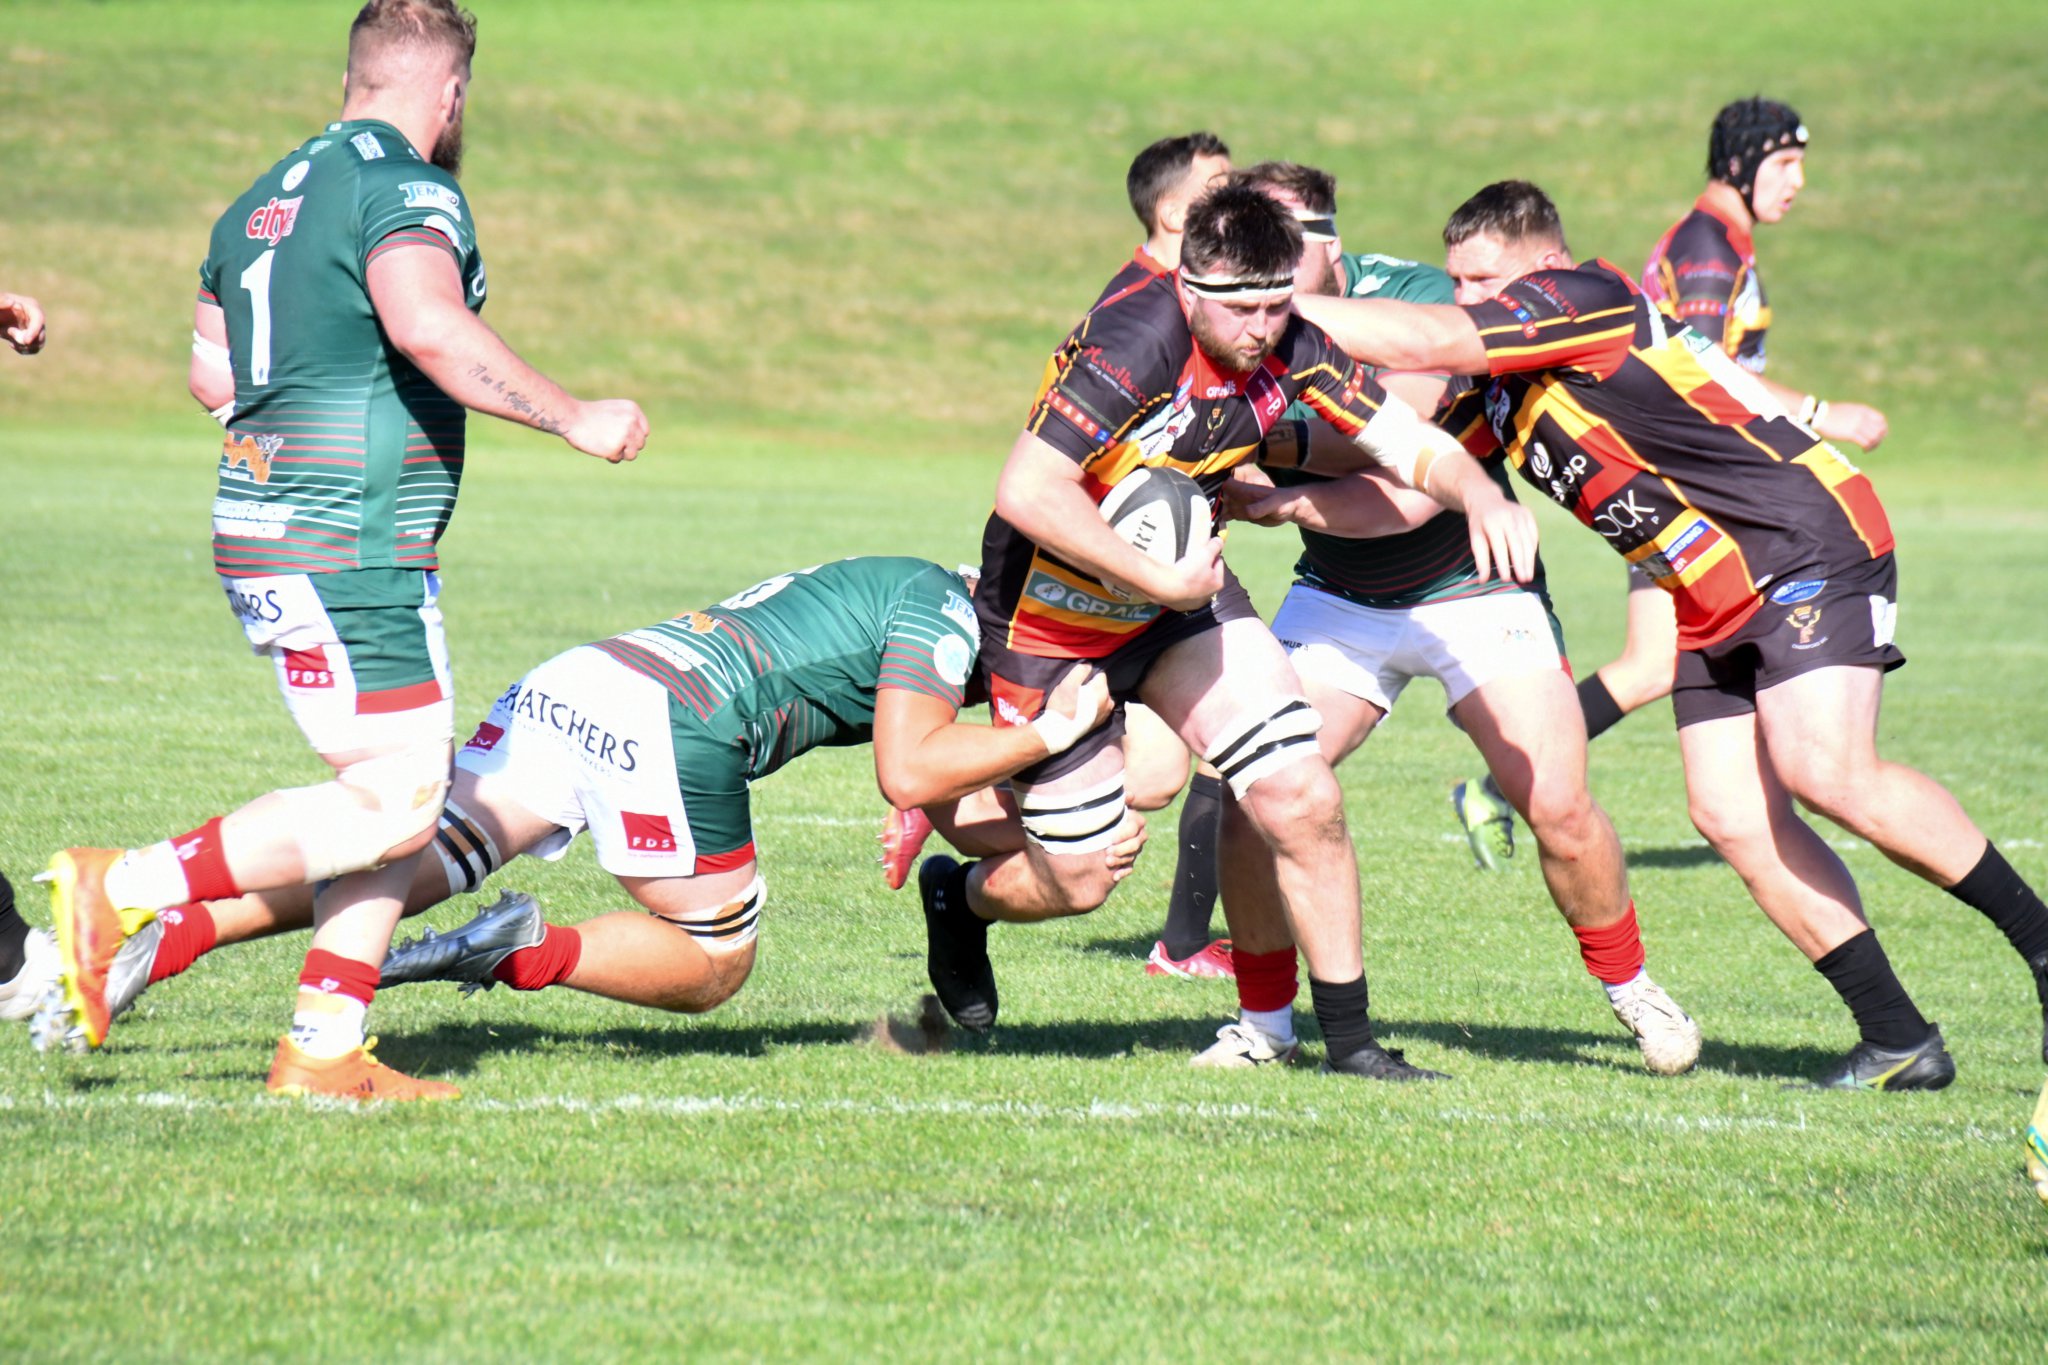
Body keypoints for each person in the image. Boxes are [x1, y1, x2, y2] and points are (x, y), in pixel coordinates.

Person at [1294, 179, 2048, 1088]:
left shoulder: (1582, 299)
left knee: (1827, 769)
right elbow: (1414, 484)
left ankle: (2042, 949)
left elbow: (1430, 337)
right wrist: (1268, 493)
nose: (1466, 296)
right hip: (1703, 580)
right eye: (1455, 278)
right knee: (1731, 812)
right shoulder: (1497, 387)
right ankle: (1898, 1037)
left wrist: (1266, 303)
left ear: (1542, 266)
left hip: (1798, 540)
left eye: (1483, 277)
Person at [37, 0, 649, 1101]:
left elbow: (213, 381)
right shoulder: (406, 186)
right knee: (402, 801)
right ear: (448, 92)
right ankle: (118, 885)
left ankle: (323, 1047)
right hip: (346, 539)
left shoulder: (256, 202)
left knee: (388, 793)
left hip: (269, 529)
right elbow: (424, 323)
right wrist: (573, 415)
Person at [35, 559, 1122, 1080]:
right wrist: (1037, 743)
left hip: (584, 679)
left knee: (385, 860)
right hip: (670, 723)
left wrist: (985, 809)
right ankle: (525, 948)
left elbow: (928, 769)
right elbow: (907, 765)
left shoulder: (920, 592)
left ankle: (164, 932)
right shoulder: (943, 618)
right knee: (714, 961)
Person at [919, 182, 1538, 1081]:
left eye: (1277, 303)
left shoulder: (1294, 344)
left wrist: (1478, 491)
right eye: (1241, 307)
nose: (1261, 327)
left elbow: (1404, 441)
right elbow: (1028, 490)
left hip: (1184, 604)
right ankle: (962, 897)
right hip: (1051, 618)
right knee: (1082, 875)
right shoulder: (1136, 340)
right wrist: (1158, 575)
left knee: (1300, 794)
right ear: (1190, 286)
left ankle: (1339, 1039)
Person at [1184, 162, 1698, 1073]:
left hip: (1472, 582)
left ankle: (1635, 991)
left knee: (1558, 807)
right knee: (1252, 795)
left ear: (1328, 244)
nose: (1259, 274)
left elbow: (1405, 474)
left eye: (1281, 248)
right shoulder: (1230, 321)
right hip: (1340, 595)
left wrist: (1277, 489)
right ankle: (1264, 1023)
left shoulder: (1421, 301)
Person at [879, 131, 1239, 979]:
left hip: (1132, 588)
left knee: (1156, 774)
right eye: (1224, 189)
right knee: (1088, 865)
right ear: (1176, 213)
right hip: (1059, 592)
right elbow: (1043, 479)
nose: (1243, 202)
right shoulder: (1146, 313)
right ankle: (949, 839)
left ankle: (958, 799)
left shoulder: (1189, 298)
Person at [1575, 97, 1889, 744]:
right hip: (1695, 486)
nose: (1797, 181)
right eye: (1786, 162)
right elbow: (1704, 374)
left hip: (1688, 480)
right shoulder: (1707, 250)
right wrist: (1824, 414)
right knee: (1669, 661)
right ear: (1742, 164)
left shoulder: (1716, 241)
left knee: (1655, 662)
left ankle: (1503, 780)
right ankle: (1510, 774)